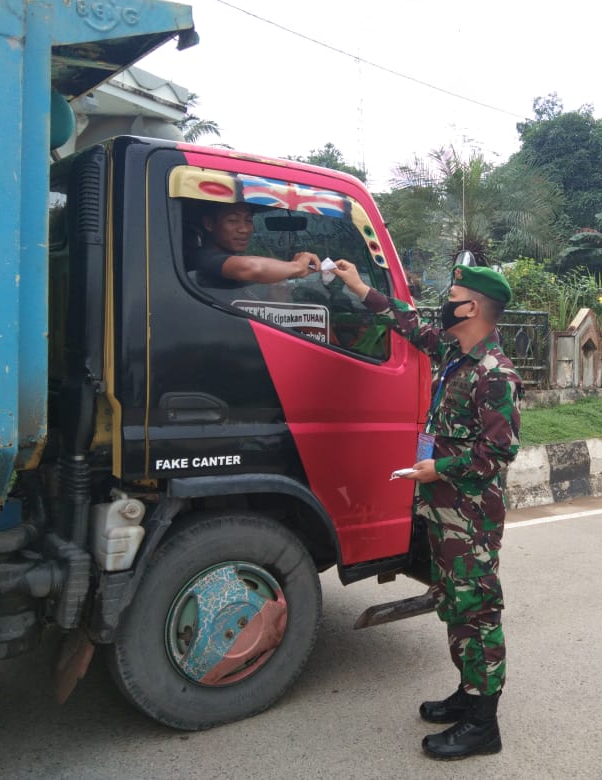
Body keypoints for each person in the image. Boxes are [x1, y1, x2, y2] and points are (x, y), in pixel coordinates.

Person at [333, 260, 522, 761]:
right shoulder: (455, 353)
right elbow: (408, 322)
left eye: (453, 293)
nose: (445, 300)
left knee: (477, 611)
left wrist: (437, 468)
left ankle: (484, 723)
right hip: (444, 512)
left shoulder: (494, 373)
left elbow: (498, 454)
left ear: (473, 307)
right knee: (453, 602)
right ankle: (469, 692)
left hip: (471, 516)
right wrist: (357, 286)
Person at [190, 201, 318, 289]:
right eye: (233, 220)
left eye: (249, 220)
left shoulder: (228, 257)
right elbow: (252, 268)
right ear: (209, 224)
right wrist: (296, 266)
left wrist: (278, 292)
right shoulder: (205, 258)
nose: (244, 229)